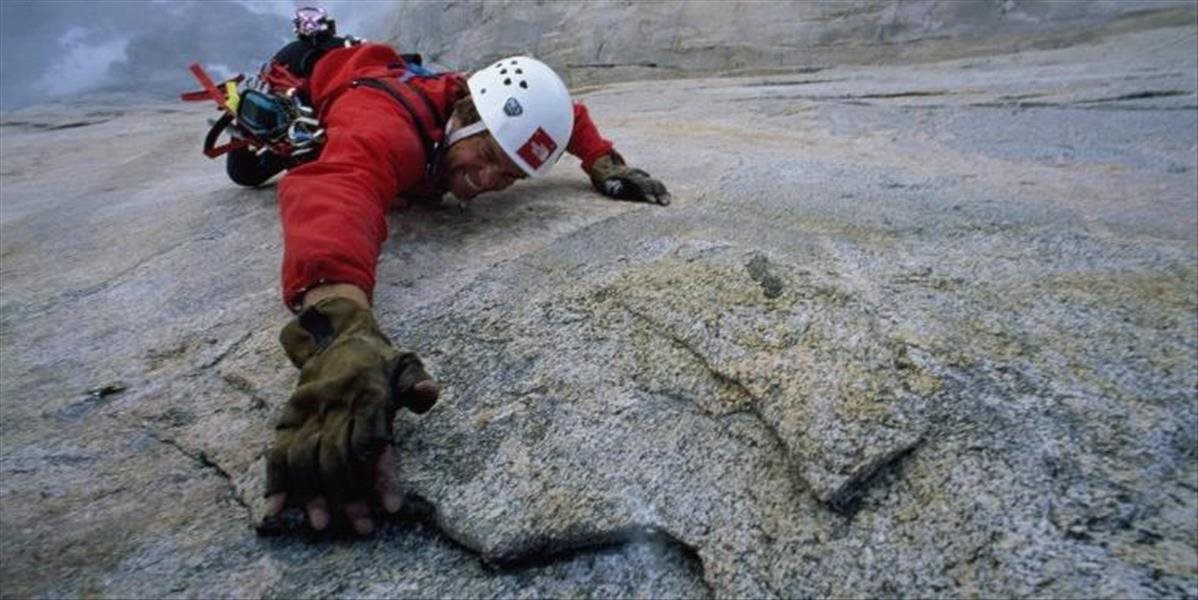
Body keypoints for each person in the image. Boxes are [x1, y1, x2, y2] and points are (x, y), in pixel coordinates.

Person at [241, 8, 671, 535]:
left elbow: (567, 115)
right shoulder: (386, 128)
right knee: (249, 165)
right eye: (488, 153)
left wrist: (604, 163)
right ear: (464, 113)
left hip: (396, 72)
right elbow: (337, 189)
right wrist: (339, 328)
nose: (489, 180)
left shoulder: (481, 102)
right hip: (339, 76)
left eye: (510, 175)